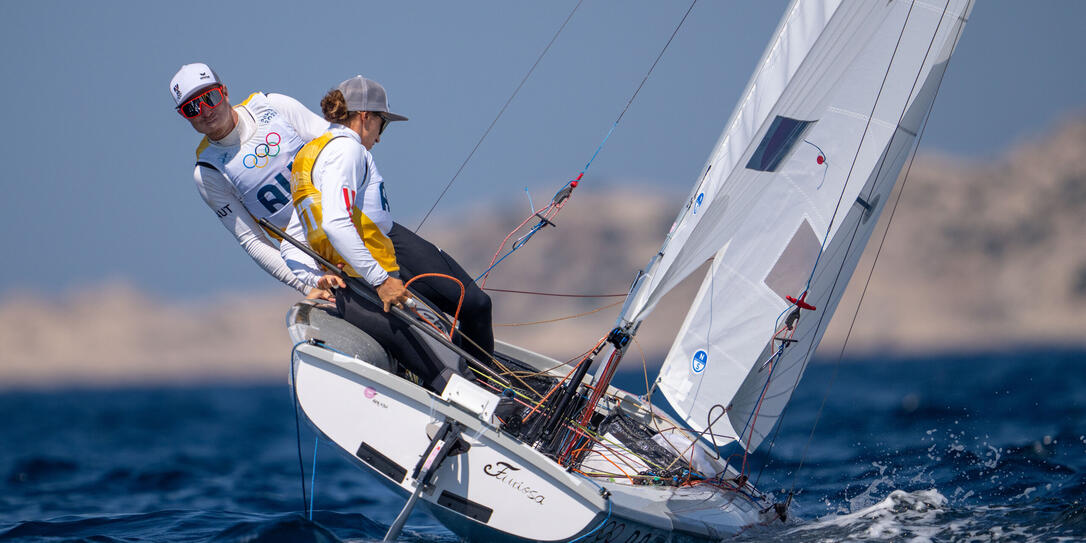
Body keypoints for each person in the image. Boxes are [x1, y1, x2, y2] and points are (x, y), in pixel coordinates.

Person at [283, 75, 493, 392]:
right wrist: (380, 280)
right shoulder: (347, 152)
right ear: (366, 116)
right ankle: (485, 387)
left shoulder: (310, 155)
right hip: (376, 259)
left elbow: (293, 239)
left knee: (471, 306)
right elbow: (336, 223)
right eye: (383, 123)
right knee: (475, 306)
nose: (380, 137)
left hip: (365, 260)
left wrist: (314, 278)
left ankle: (476, 378)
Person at [169, 62, 344, 299]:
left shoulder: (273, 105)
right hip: (323, 268)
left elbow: (340, 147)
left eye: (210, 97)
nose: (205, 110)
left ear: (225, 92)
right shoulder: (208, 172)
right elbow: (252, 240)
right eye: (192, 108)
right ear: (183, 115)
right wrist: (307, 285)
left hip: (356, 228)